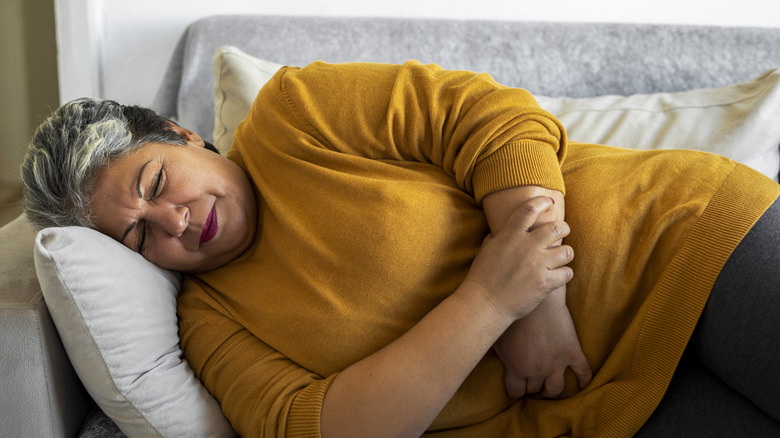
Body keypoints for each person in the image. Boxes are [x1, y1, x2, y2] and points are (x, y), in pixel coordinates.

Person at [21, 61, 780, 437]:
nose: (175, 224)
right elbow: (326, 429)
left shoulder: (294, 114)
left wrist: (539, 302)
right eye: (139, 236)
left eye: (158, 182)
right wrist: (489, 303)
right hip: (595, 412)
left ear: (183, 135)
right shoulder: (213, 328)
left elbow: (490, 118)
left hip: (687, 242)